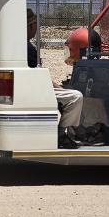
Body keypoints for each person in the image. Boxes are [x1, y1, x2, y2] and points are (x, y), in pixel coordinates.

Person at [26, 9, 83, 149]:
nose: (36, 29)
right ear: (30, 26)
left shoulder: (20, 45)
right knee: (76, 96)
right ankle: (60, 135)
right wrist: (59, 87)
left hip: (31, 86)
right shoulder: (28, 48)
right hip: (35, 89)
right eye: (35, 25)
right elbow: (39, 77)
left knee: (67, 92)